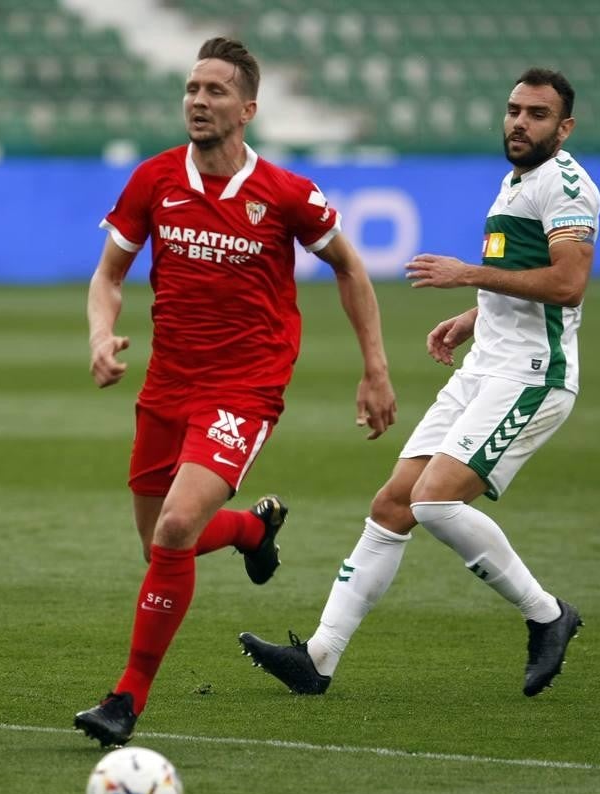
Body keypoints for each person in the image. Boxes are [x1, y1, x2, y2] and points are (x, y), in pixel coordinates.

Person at [74, 37, 396, 747]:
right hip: (168, 382)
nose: (197, 100)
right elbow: (108, 276)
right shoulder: (154, 180)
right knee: (157, 542)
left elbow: (350, 268)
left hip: (244, 387)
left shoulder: (284, 193)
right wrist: (101, 334)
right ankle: (255, 528)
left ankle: (125, 698)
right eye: (192, 88)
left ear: (248, 109)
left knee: (175, 531)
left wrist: (374, 368)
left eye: (215, 90)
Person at [240, 67, 600, 699]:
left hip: (532, 376)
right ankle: (319, 658)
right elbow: (523, 276)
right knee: (393, 505)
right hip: (486, 365)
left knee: (434, 501)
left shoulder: (567, 186)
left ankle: (547, 615)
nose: (519, 121)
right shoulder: (517, 181)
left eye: (537, 114)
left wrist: (467, 277)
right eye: (514, 109)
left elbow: (569, 284)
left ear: (564, 127)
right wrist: (470, 319)